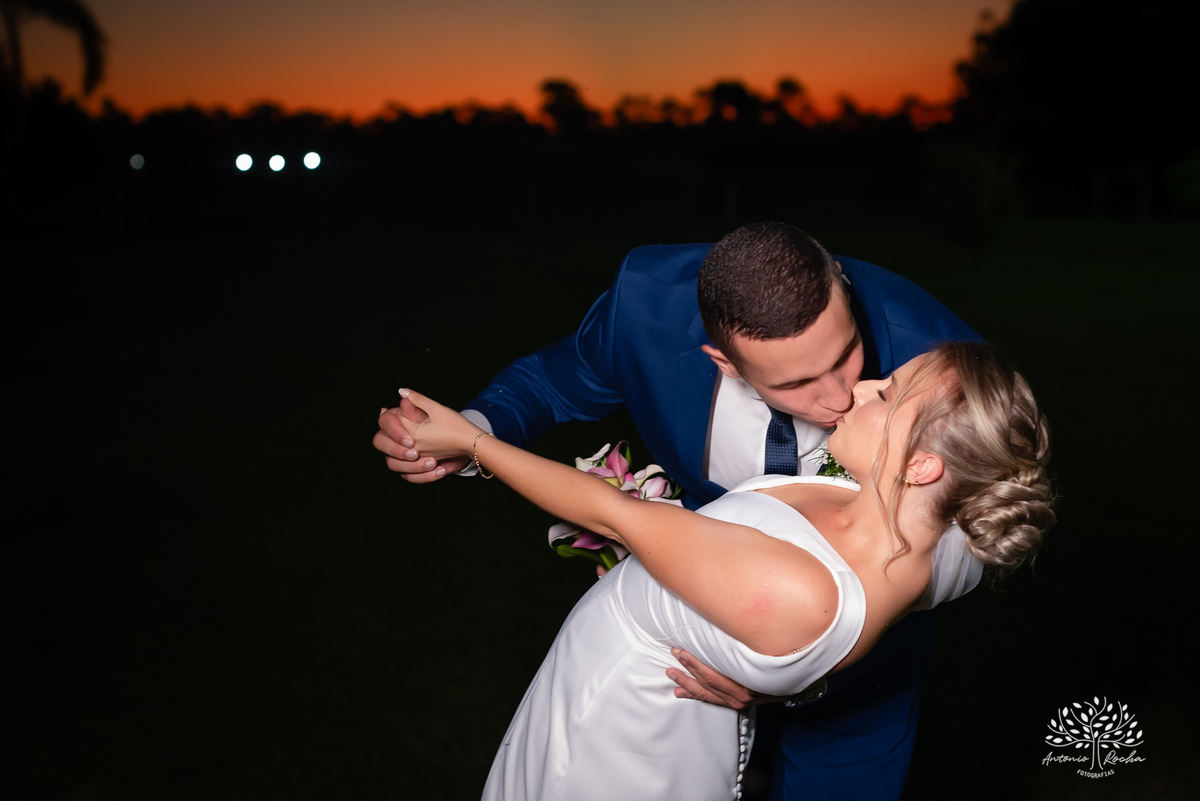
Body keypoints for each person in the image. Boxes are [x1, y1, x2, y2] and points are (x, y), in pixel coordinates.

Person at [375, 222, 982, 799]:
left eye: (847, 354)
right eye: (796, 385)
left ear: (842, 289)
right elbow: (556, 381)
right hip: (686, 667)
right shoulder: (645, 307)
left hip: (868, 668)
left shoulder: (936, 357)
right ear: (721, 358)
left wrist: (805, 663)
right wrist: (470, 433)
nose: (841, 395)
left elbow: (983, 525)